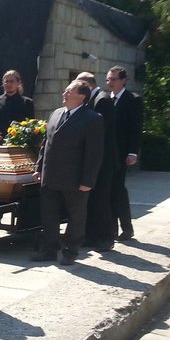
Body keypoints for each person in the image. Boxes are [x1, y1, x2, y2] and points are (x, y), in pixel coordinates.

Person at [31, 81, 104, 266]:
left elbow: (94, 153)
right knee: (49, 215)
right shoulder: (56, 114)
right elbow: (45, 145)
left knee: (76, 216)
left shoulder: (92, 118)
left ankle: (71, 251)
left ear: (82, 96)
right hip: (51, 175)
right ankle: (49, 249)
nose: (64, 93)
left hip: (75, 177)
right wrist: (39, 168)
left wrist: (88, 180)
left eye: (69, 91)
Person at [76, 71, 116, 251]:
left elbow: (101, 133)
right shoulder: (93, 99)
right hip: (93, 159)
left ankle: (106, 237)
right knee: (90, 200)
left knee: (101, 199)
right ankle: (91, 236)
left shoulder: (102, 100)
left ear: (87, 85)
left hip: (103, 160)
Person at [106, 65, 143, 241]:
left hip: (121, 153)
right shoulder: (107, 100)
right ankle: (111, 229)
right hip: (108, 153)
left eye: (113, 79)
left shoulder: (132, 100)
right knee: (110, 190)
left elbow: (136, 128)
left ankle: (126, 228)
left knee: (118, 190)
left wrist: (133, 152)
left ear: (123, 80)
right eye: (108, 79)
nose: (110, 83)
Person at [0, 69, 35, 142]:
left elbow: (31, 126)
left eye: (11, 81)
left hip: (19, 144)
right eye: (6, 81)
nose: (8, 84)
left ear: (18, 83)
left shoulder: (27, 103)